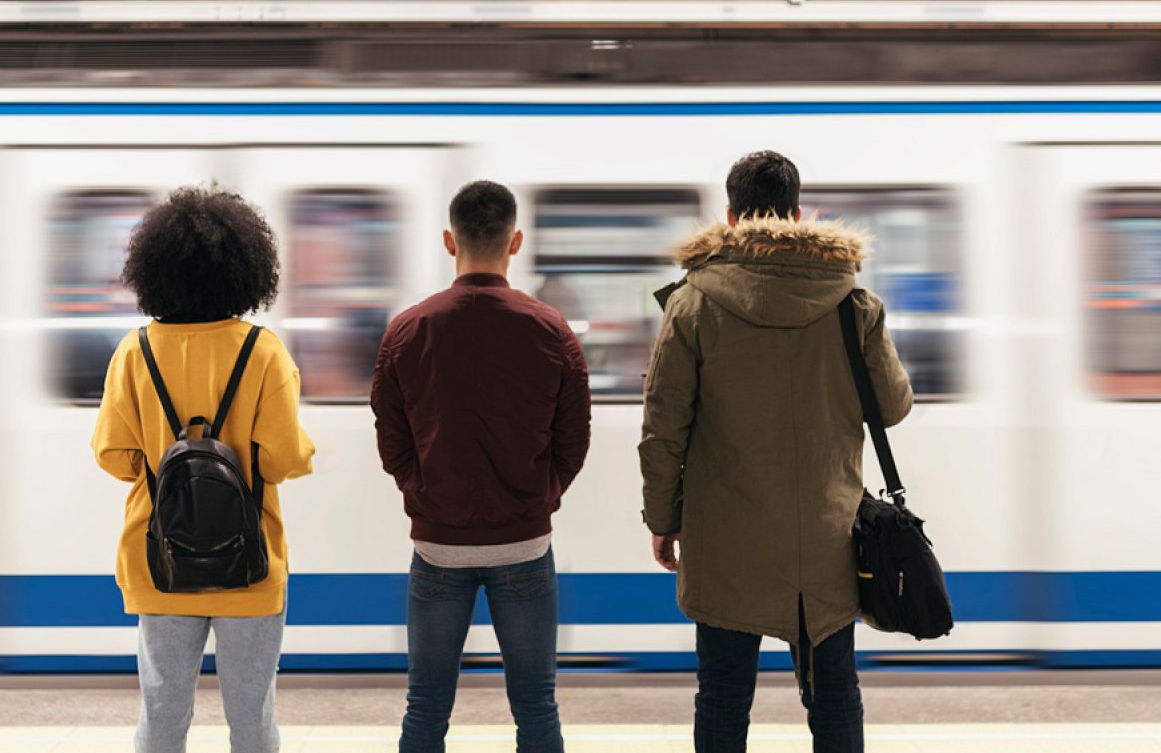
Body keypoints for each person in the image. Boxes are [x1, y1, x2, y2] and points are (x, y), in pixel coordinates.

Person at [639, 152, 913, 753]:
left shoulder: (692, 306)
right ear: (796, 213)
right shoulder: (852, 304)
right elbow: (892, 407)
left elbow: (663, 432)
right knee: (835, 694)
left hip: (725, 543)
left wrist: (663, 520)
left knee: (723, 696)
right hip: (827, 540)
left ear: (731, 216)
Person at [92, 185, 316, 753]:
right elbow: (283, 459)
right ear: (246, 270)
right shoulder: (263, 352)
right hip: (250, 563)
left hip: (159, 560)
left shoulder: (134, 351)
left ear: (155, 270)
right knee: (253, 718)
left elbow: (114, 457)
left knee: (162, 714)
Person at [371, 180, 592, 753]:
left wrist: (422, 493)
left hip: (438, 549)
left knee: (425, 705)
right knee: (536, 706)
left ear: (450, 241)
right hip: (523, 546)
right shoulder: (551, 329)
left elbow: (391, 443)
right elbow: (574, 441)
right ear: (514, 241)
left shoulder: (406, 330)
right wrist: (540, 497)